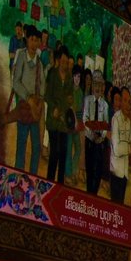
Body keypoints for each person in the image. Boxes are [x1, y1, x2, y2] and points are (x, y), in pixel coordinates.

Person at [9, 25, 46, 174]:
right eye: (31, 39)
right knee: (22, 144)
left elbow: (42, 85)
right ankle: (18, 176)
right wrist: (27, 97)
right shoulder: (22, 57)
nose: (34, 43)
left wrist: (39, 101)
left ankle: (33, 177)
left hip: (35, 110)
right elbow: (16, 83)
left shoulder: (39, 63)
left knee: (36, 146)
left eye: (36, 40)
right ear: (27, 40)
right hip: (24, 107)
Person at [44, 45, 77, 183]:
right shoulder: (52, 74)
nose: (64, 64)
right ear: (59, 60)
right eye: (62, 61)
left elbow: (70, 97)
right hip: (53, 120)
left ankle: (60, 185)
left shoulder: (69, 78)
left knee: (63, 153)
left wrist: (68, 102)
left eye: (66, 62)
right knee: (54, 154)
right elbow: (47, 95)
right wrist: (54, 109)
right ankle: (49, 183)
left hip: (63, 122)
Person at [80, 72, 110, 196]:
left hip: (100, 143)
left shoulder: (105, 105)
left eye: (100, 85)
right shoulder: (87, 100)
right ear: (92, 86)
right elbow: (85, 119)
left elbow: (105, 124)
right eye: (95, 84)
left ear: (103, 87)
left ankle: (94, 195)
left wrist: (101, 136)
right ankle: (89, 194)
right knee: (90, 170)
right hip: (89, 140)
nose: (98, 88)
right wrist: (92, 135)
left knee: (98, 171)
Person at [108, 85, 131, 203]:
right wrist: (128, 148)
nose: (128, 105)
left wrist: (128, 147)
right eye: (125, 101)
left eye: (129, 102)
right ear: (121, 102)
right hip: (116, 172)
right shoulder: (115, 119)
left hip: (124, 173)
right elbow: (117, 149)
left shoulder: (128, 122)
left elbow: (130, 142)